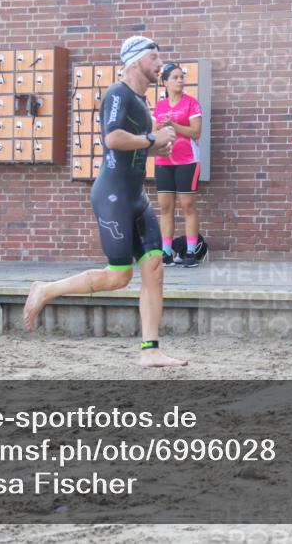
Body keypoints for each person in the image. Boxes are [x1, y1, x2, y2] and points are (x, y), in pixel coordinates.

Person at [23, 36, 187, 368]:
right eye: (154, 58)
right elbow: (112, 138)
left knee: (154, 269)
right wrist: (153, 138)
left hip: (136, 196)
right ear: (135, 62)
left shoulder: (141, 101)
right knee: (119, 277)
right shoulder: (118, 94)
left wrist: (155, 146)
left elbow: (136, 144)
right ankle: (45, 289)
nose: (160, 64)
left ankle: (150, 350)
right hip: (113, 195)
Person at [153, 63, 203, 268]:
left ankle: (191, 251)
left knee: (188, 206)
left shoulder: (192, 103)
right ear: (165, 82)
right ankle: (166, 253)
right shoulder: (160, 105)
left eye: (181, 77)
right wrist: (158, 129)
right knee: (165, 208)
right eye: (175, 77)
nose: (180, 80)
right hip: (163, 161)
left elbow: (195, 132)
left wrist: (172, 125)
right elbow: (154, 133)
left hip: (187, 161)